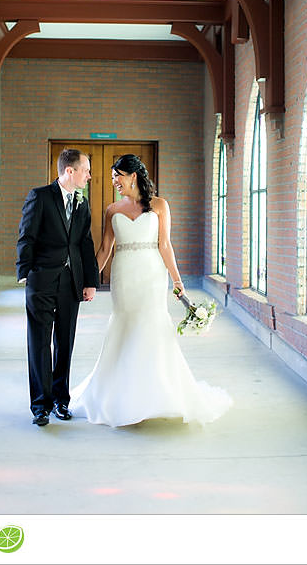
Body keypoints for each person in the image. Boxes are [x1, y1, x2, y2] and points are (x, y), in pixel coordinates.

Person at [68, 154, 232, 427]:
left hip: (152, 275)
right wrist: (89, 280)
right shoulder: (112, 210)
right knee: (125, 324)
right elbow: (106, 249)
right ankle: (120, 395)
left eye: (118, 176)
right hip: (124, 275)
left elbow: (165, 245)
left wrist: (178, 281)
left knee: (152, 326)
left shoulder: (159, 206)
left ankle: (158, 396)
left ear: (133, 175)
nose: (114, 182)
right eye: (112, 178)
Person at [17, 148, 99, 427]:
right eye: (86, 170)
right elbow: (26, 235)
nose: (90, 176)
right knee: (39, 341)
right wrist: (25, 273)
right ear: (70, 171)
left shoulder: (82, 203)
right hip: (41, 278)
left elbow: (84, 243)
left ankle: (61, 402)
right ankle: (41, 405)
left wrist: (90, 281)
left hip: (71, 281)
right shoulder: (39, 196)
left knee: (65, 342)